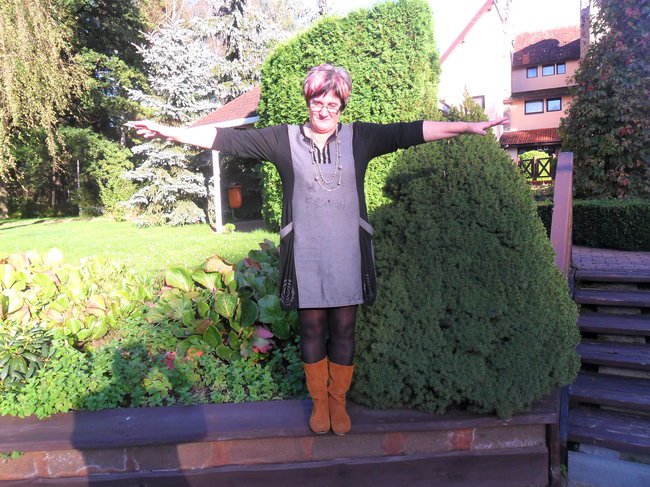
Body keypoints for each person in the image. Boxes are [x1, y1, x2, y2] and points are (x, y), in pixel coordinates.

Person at [127, 63, 507, 436]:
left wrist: (466, 127)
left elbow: (409, 131)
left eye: (333, 105)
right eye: (317, 103)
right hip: (305, 253)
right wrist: (169, 131)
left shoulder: (359, 138)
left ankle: (338, 401)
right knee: (311, 327)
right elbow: (226, 140)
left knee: (344, 328)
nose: (324, 112)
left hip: (347, 252)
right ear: (308, 102)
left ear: (342, 106)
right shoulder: (283, 139)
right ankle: (319, 403)